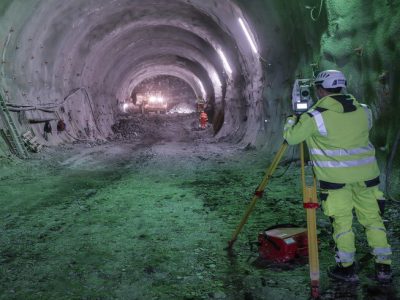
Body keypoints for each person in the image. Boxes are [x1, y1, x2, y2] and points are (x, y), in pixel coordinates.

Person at [283, 70, 392, 283]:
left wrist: (290, 121)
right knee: (373, 220)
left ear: (320, 89)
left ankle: (347, 268)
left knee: (342, 223)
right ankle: (384, 268)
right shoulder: (364, 110)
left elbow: (292, 139)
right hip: (368, 178)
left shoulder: (315, 116)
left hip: (336, 181)